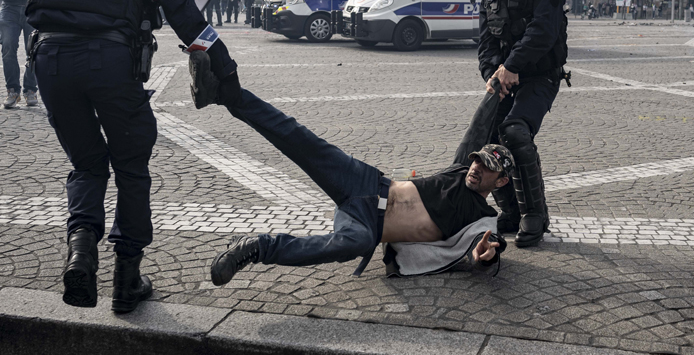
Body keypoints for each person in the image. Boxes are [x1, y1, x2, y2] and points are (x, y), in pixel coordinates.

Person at [7, 0, 239, 313]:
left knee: (87, 163)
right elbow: (186, 14)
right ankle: (127, 278)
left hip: (50, 61)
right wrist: (225, 67)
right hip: (111, 61)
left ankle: (81, 251)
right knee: (132, 166)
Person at [188, 52, 508, 283]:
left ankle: (254, 248)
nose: (476, 167)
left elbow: (483, 249)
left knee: (351, 244)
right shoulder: (459, 169)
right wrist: (495, 90)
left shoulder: (481, 218)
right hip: (366, 183)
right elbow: (477, 128)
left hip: (367, 224)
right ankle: (226, 93)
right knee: (297, 137)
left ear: (502, 181)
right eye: (477, 159)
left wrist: (484, 257)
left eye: (488, 166)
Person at [477, 0, 568, 248]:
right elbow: (486, 45)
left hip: (540, 76)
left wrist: (512, 66)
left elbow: (543, 32)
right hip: (505, 79)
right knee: (486, 141)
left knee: (515, 130)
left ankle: (535, 214)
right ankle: (511, 211)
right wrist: (493, 75)